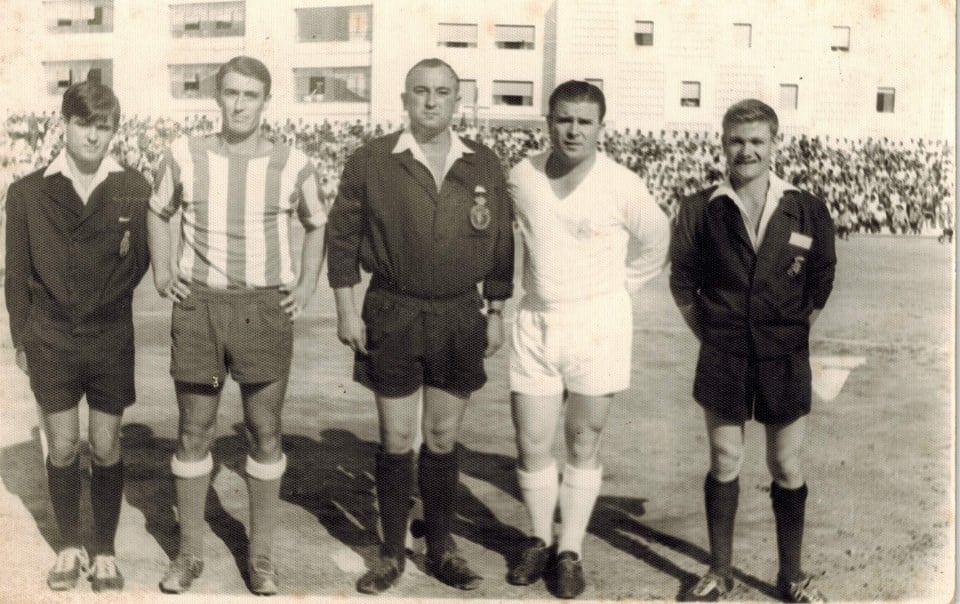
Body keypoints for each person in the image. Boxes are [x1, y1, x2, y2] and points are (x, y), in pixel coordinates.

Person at [326, 58, 514, 595]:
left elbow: (501, 244)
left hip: (459, 313)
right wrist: (344, 308)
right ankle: (389, 552)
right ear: (404, 98)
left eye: (442, 92)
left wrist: (496, 310)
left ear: (458, 100)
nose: (431, 102)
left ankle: (442, 547)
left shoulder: (483, 164)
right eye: (420, 92)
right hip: (393, 309)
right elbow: (343, 238)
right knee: (397, 436)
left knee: (441, 435)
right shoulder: (373, 159)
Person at [148, 56, 326, 596]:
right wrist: (162, 271)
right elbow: (158, 212)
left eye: (250, 94)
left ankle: (262, 556)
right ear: (218, 97)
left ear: (266, 100)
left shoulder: (294, 163)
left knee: (265, 432)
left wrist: (306, 284)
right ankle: (189, 553)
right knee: (193, 431)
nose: (240, 103)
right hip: (199, 306)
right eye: (231, 93)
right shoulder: (183, 154)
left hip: (264, 308)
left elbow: (317, 222)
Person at [505, 80, 670, 599]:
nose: (573, 130)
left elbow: (656, 240)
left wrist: (623, 286)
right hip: (536, 320)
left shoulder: (621, 183)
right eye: (563, 119)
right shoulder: (521, 177)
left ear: (601, 127)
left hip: (598, 325)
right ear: (547, 121)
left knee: (582, 439)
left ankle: (569, 549)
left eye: (584, 121)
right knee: (531, 441)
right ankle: (537, 538)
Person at [670, 99, 836, 603]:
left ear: (774, 144)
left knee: (787, 465)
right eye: (736, 141)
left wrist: (785, 329)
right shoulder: (701, 208)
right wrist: (714, 334)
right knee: (725, 459)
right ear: (722, 144)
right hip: (723, 353)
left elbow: (821, 278)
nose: (746, 151)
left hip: (784, 354)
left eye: (756, 141)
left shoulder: (806, 207)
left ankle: (791, 577)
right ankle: (720, 572)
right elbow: (682, 283)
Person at [5, 81, 151, 592]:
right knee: (64, 447)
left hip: (110, 336)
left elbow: (139, 262)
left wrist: (104, 302)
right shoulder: (26, 191)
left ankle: (105, 550)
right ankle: (69, 545)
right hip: (51, 339)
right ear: (63, 124)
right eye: (85, 124)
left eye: (104, 126)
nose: (94, 136)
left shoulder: (133, 186)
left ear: (114, 131)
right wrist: (25, 339)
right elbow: (15, 274)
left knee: (106, 446)